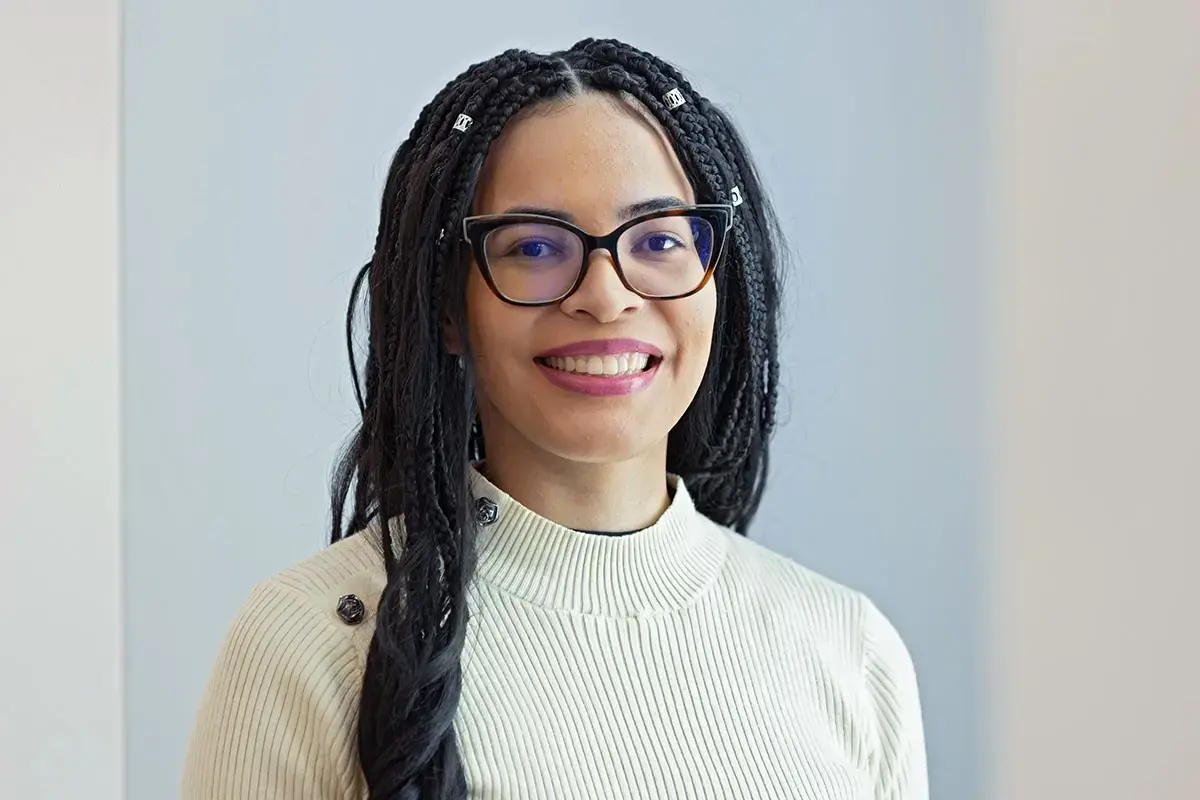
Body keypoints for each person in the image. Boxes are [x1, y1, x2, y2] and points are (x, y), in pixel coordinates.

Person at [181, 38, 928, 800]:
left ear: (718, 285)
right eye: (535, 246)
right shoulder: (310, 643)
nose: (605, 297)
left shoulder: (849, 649)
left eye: (660, 240)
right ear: (448, 306)